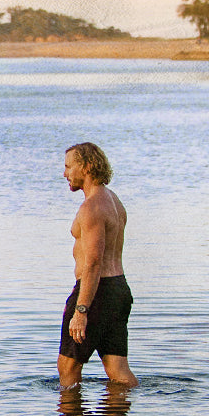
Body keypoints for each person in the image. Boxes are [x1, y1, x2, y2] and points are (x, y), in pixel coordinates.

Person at [60, 142, 136, 389]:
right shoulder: (113, 200)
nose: (65, 174)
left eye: (69, 166)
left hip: (96, 292)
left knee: (68, 367)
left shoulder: (91, 207)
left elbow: (93, 262)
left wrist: (81, 311)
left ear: (87, 166)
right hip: (117, 289)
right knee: (117, 369)